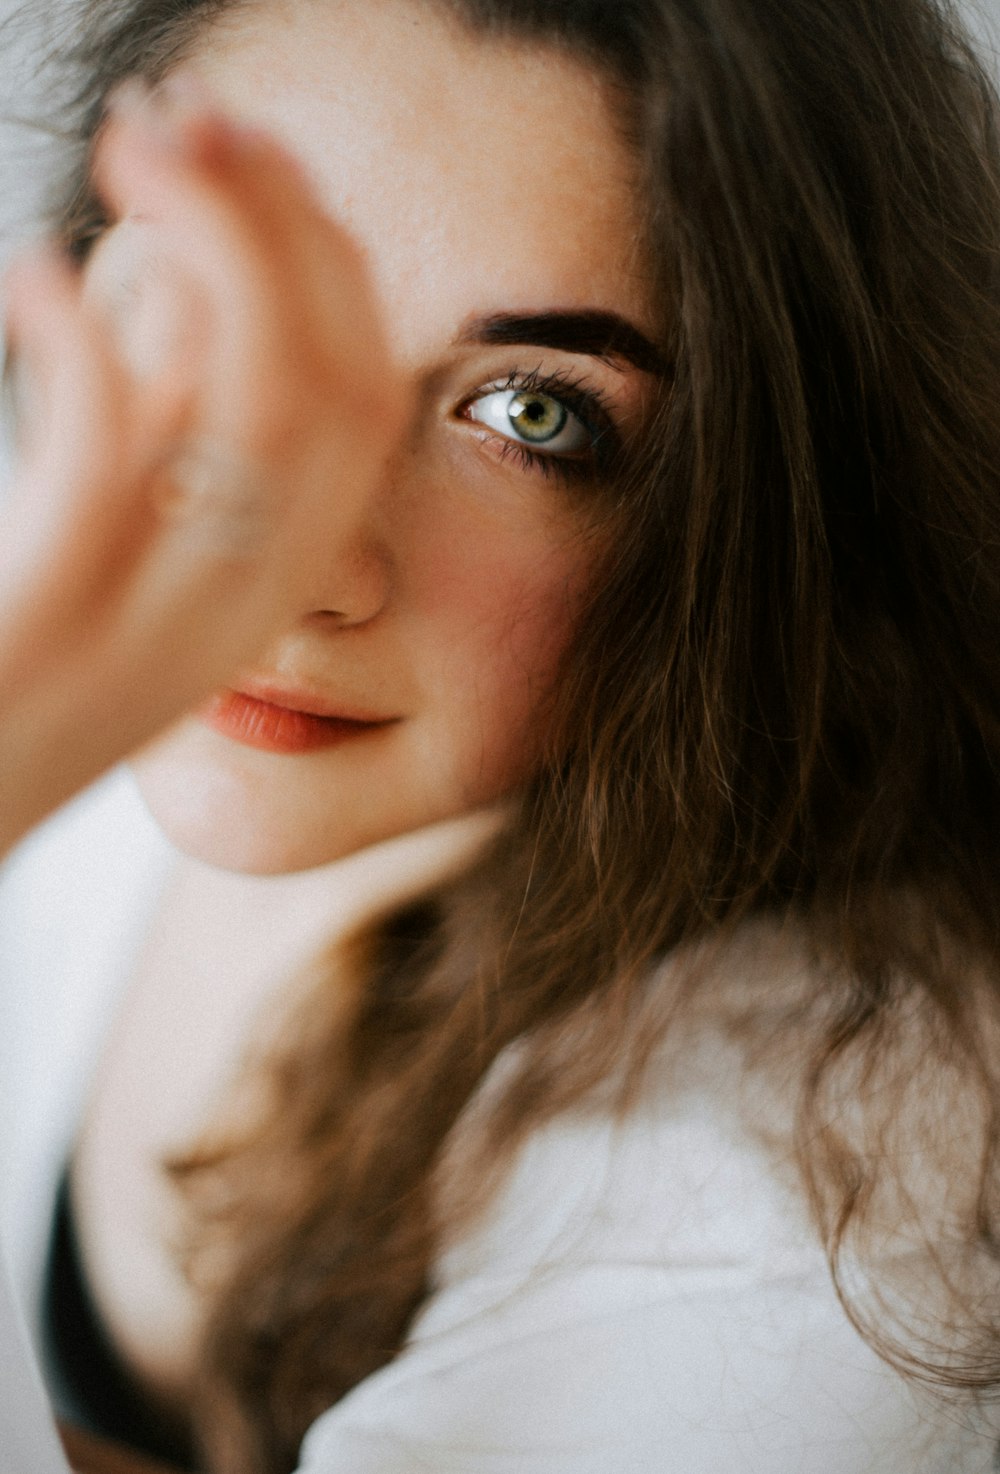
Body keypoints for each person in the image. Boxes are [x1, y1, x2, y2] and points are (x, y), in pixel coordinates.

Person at [2, 0, 1000, 1470]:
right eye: (245, 310)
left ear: (769, 514)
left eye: (534, 412)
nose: (303, 560)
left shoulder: (820, 1209)